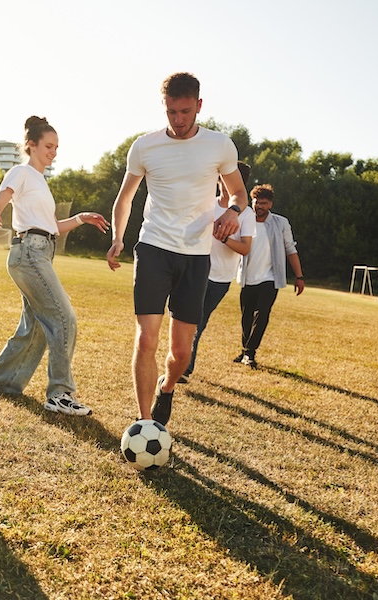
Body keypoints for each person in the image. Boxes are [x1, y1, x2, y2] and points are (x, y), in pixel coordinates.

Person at [106, 72, 248, 426]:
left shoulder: (220, 145)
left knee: (182, 352)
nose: (179, 120)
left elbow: (239, 194)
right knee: (147, 338)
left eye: (186, 111)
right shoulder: (145, 146)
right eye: (172, 112)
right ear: (164, 107)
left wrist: (233, 212)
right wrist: (118, 238)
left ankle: (167, 386)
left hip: (196, 255)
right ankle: (143, 421)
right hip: (153, 247)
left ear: (199, 106)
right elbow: (126, 197)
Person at [0, 116, 108, 416]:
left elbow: (50, 226)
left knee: (36, 324)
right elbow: (0, 200)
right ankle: (60, 394)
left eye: (56, 147)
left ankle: (0, 380)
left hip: (41, 250)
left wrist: (80, 218)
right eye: (48, 146)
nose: (53, 152)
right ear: (31, 145)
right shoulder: (21, 172)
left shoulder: (40, 181)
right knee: (64, 317)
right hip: (29, 253)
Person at [179, 161, 256, 383]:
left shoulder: (246, 215)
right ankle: (182, 366)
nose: (223, 183)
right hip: (194, 270)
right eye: (222, 177)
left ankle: (183, 367)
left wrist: (223, 237)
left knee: (198, 320)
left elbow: (245, 248)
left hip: (220, 278)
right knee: (189, 318)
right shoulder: (206, 204)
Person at [234, 183, 305, 368]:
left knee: (263, 314)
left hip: (270, 278)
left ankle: (250, 352)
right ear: (252, 202)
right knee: (246, 316)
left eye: (264, 203)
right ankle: (244, 350)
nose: (259, 207)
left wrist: (299, 276)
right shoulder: (243, 220)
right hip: (247, 277)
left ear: (270, 204)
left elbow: (290, 249)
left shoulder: (280, 223)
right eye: (257, 202)